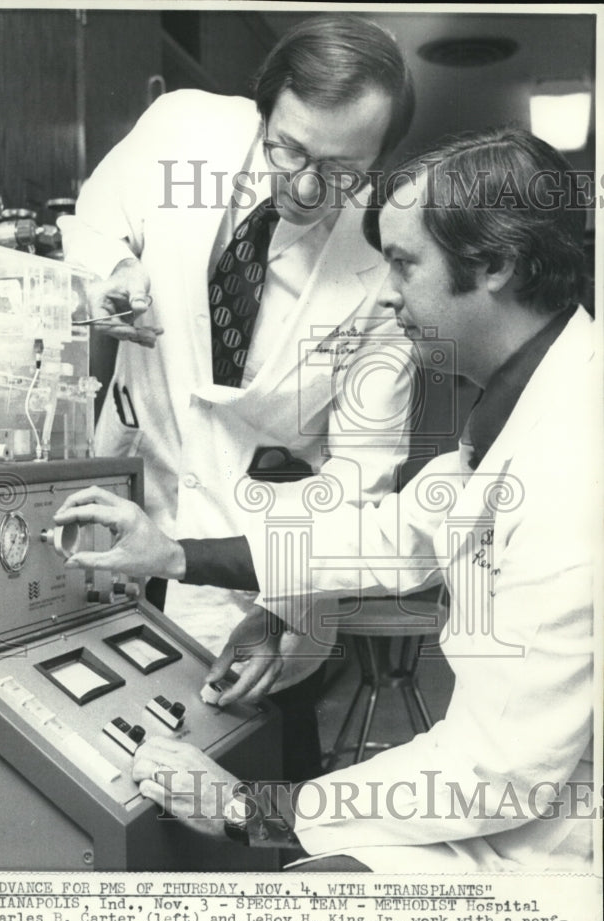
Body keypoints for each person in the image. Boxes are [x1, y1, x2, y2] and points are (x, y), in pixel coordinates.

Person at [55, 126, 597, 872]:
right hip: (510, 807)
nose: (390, 293)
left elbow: (499, 769)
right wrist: (177, 554)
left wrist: (255, 810)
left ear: (496, 265)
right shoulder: (534, 395)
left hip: (551, 847)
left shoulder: (570, 456)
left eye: (404, 265)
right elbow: (394, 534)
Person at [59, 14, 417, 780]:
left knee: (243, 779)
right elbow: (94, 221)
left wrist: (287, 602)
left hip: (250, 574)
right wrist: (108, 275)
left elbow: (361, 476)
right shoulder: (180, 126)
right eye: (289, 149)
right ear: (263, 108)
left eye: (344, 169)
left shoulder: (388, 272)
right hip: (129, 494)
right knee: (92, 755)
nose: (308, 186)